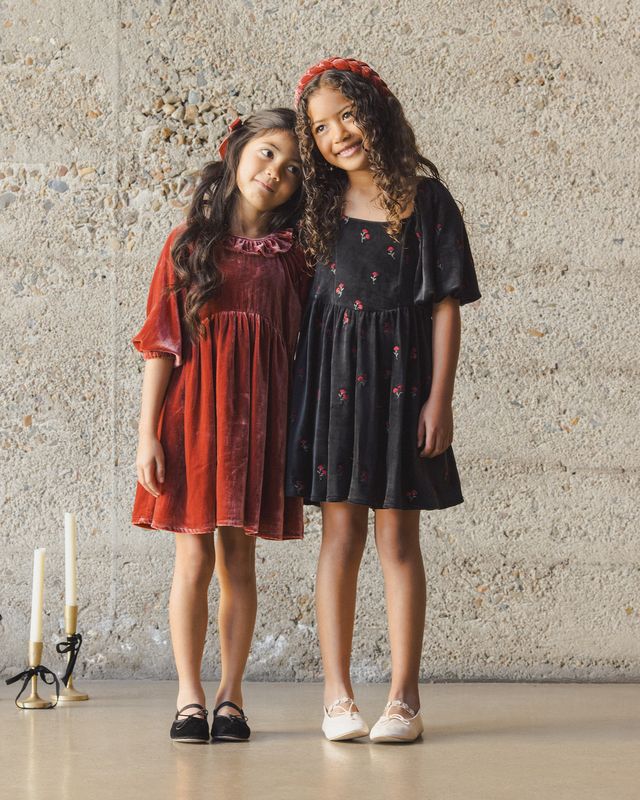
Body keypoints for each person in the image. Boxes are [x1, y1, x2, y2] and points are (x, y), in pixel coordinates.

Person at [286, 58, 481, 742]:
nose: (335, 133)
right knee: (341, 536)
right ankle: (337, 697)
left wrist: (440, 399)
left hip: (406, 385)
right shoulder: (314, 207)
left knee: (399, 538)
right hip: (336, 385)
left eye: (345, 114)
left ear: (375, 110)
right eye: (319, 126)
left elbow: (446, 306)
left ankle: (403, 698)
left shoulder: (426, 201)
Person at [132, 108, 309, 743]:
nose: (275, 174)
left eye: (291, 169)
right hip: (191, 422)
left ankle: (232, 697)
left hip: (259, 423)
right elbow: (161, 346)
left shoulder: (296, 257)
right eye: (266, 154)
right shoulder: (187, 244)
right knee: (192, 560)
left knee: (240, 559)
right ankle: (188, 696)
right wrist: (147, 432)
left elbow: (305, 349)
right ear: (235, 153)